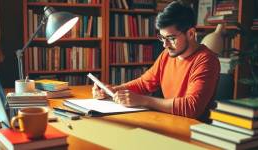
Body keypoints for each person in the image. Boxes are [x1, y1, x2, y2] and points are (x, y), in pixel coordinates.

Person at [92, 1, 220, 121]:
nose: (165, 45)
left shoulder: (207, 60)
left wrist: (144, 100)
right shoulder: (167, 55)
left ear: (191, 34)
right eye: (162, 38)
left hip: (193, 132)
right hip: (170, 122)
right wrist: (113, 91)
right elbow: (143, 84)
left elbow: (191, 107)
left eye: (171, 38)